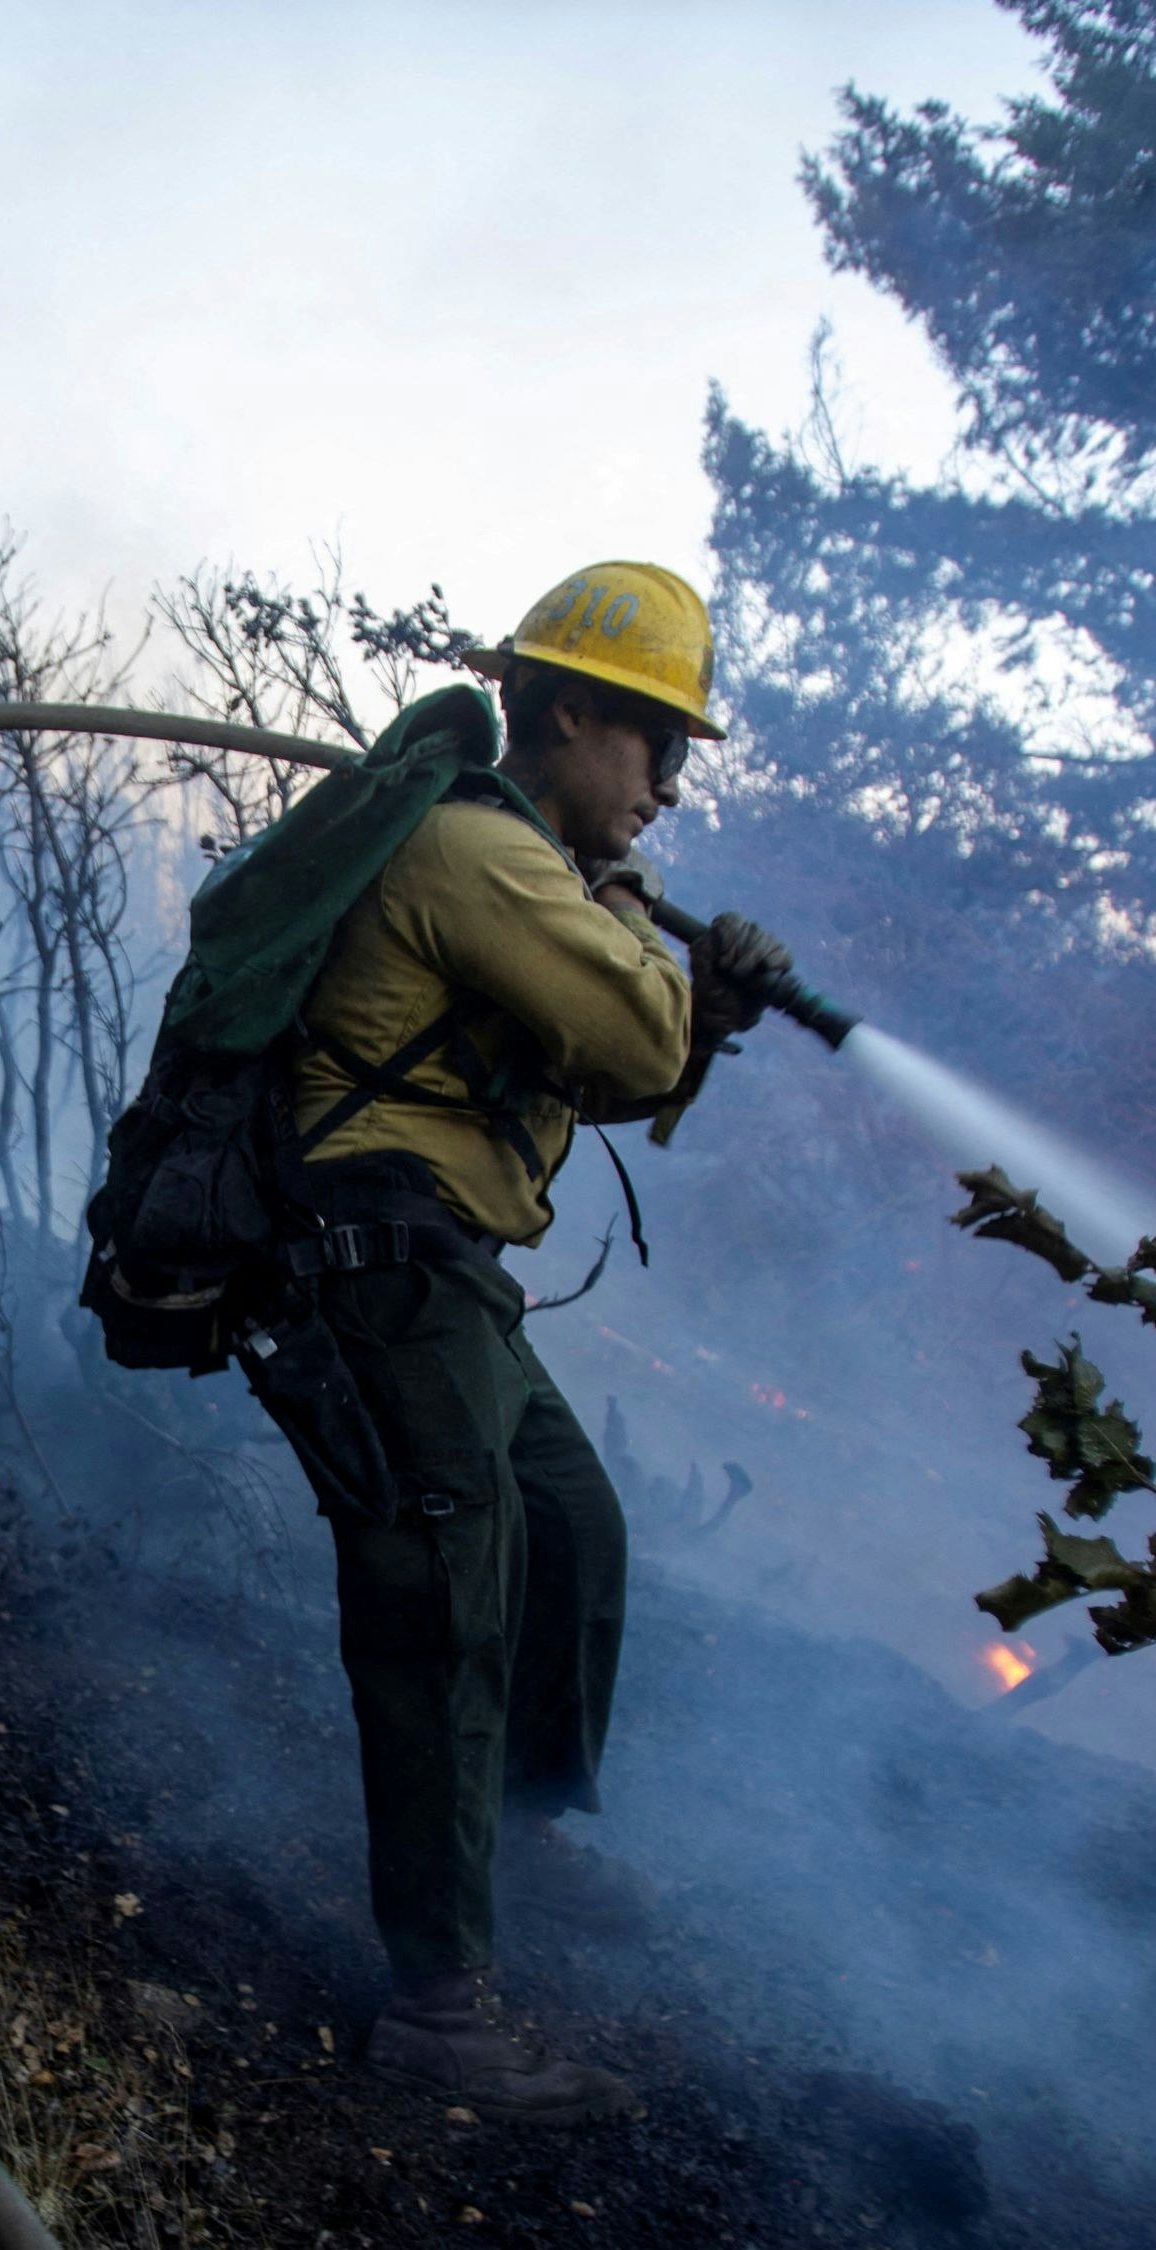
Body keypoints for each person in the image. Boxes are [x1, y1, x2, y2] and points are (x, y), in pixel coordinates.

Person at [258, 560, 797, 2124]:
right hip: (383, 1267)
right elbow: (631, 1031)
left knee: (572, 1527)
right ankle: (439, 2007)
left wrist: (716, 1009)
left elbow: (624, 1074)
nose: (673, 787)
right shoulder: (482, 853)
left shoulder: (541, 876)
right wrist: (648, 942)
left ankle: (522, 1837)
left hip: (456, 1276)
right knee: (446, 1598)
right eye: (658, 747)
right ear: (569, 714)